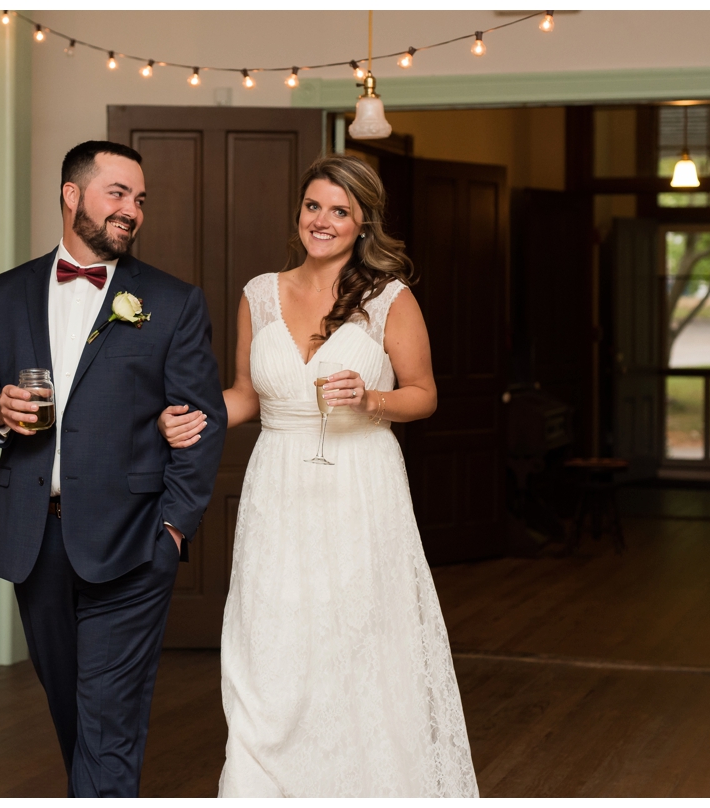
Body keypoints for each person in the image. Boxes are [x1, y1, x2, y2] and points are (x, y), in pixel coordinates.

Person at [156, 154, 478, 797]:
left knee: (359, 637)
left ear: (363, 224)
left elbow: (424, 394)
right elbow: (248, 393)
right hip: (277, 484)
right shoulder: (259, 292)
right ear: (298, 212)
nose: (322, 221)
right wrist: (190, 417)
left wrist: (370, 400)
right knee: (270, 638)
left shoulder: (390, 298)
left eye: (339, 211)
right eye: (312, 206)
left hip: (361, 484)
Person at [0, 140, 226, 797]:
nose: (131, 210)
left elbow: (201, 422)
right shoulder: (0, 295)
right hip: (33, 537)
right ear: (73, 195)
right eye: (117, 194)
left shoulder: (172, 301)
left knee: (110, 713)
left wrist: (174, 529)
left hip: (135, 539)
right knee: (71, 705)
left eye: (139, 199)